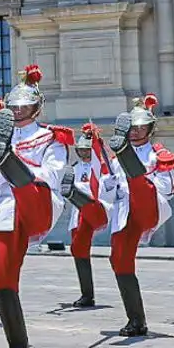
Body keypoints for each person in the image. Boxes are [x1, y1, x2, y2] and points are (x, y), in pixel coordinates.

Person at [0, 66, 71, 348]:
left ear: (36, 107)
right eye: (13, 106)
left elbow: (52, 175)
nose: (18, 111)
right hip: (6, 208)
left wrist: (14, 164)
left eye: (24, 106)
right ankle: (18, 346)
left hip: (36, 200)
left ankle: (18, 346)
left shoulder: (51, 139)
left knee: (25, 182)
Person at [101, 95, 174, 338]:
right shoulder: (114, 162)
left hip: (149, 205)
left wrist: (143, 179)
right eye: (131, 128)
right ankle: (136, 320)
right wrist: (111, 183)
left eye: (140, 127)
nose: (135, 132)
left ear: (150, 128)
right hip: (125, 211)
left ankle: (135, 172)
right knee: (119, 260)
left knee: (139, 182)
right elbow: (108, 194)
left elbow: (168, 186)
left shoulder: (158, 154)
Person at [63, 125, 111, 308]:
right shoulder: (74, 168)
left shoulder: (98, 166)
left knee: (79, 247)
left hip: (90, 208)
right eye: (81, 149)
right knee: (77, 250)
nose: (84, 152)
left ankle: (87, 294)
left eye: (87, 149)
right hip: (77, 210)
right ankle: (86, 293)